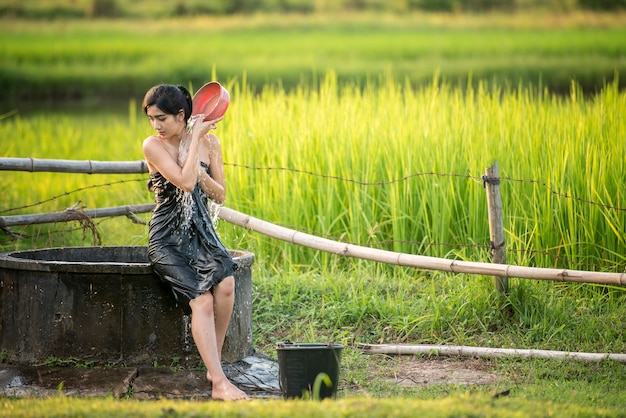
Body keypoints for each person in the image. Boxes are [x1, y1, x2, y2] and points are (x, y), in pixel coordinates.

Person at [141, 84, 249, 401]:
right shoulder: (153, 146)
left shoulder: (211, 143)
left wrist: (200, 142)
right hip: (168, 237)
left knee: (226, 283)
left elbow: (220, 194)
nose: (156, 126)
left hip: (200, 230)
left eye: (162, 118)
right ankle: (219, 383)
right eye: (151, 119)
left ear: (181, 115)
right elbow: (185, 183)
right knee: (201, 300)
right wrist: (193, 142)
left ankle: (211, 365)